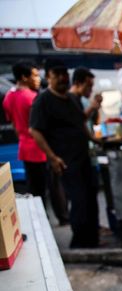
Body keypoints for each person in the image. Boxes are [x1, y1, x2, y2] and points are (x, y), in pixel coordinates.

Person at [29, 61, 99, 248]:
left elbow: (79, 121)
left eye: (63, 73)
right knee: (79, 202)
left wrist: (94, 137)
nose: (61, 78)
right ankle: (80, 244)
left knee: (90, 199)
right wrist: (52, 157)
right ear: (48, 76)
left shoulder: (71, 98)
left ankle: (92, 240)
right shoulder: (43, 101)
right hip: (66, 161)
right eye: (56, 74)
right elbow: (35, 130)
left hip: (83, 157)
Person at [2, 62, 50, 207]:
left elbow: (15, 125)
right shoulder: (33, 98)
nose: (38, 79)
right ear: (24, 77)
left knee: (33, 188)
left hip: (24, 147)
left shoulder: (8, 97)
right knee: (42, 189)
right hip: (40, 148)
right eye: (34, 75)